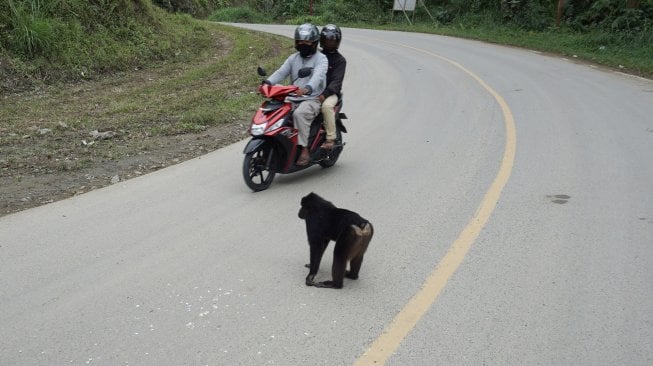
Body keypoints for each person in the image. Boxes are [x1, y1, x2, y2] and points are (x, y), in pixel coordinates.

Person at [264, 23, 328, 166]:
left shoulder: (321, 59)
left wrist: (308, 88)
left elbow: (318, 76)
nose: (302, 44)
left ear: (314, 42)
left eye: (307, 41)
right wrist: (267, 82)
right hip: (293, 96)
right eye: (300, 41)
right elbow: (281, 72)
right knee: (275, 111)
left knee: (299, 114)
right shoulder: (293, 58)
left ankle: (304, 149)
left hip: (312, 98)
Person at [318, 24, 346, 150]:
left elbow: (336, 82)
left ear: (337, 41)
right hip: (314, 92)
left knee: (326, 107)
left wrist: (325, 94)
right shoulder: (316, 56)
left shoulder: (340, 60)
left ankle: (330, 138)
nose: (329, 42)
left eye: (332, 40)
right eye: (327, 39)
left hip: (330, 94)